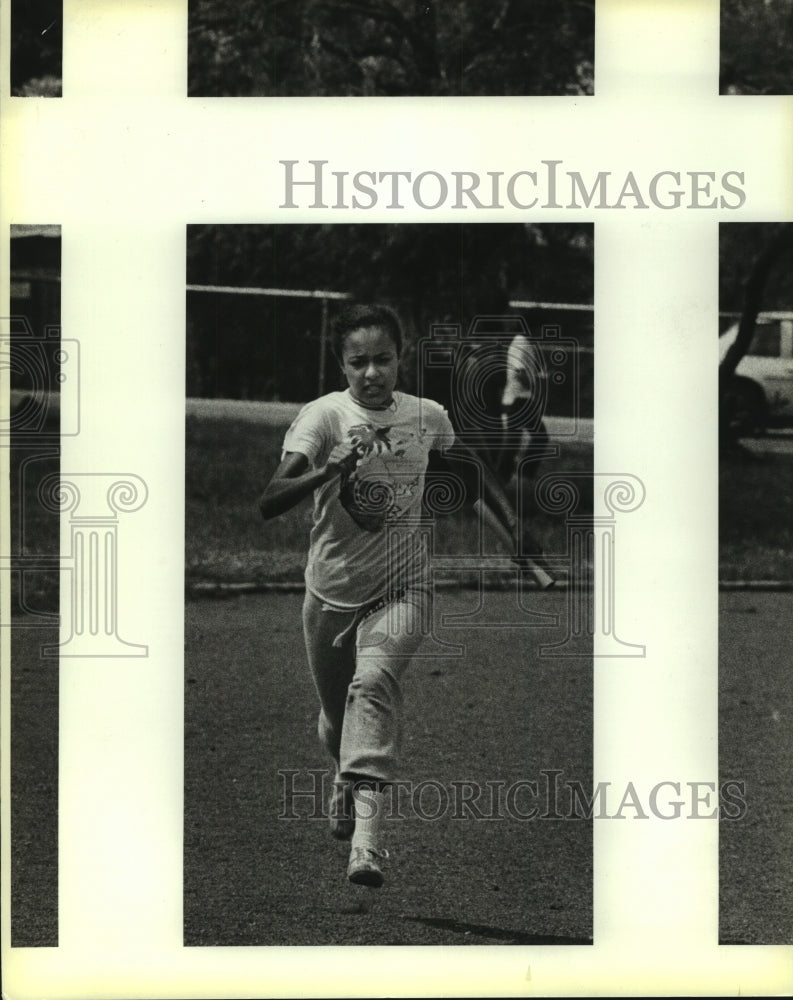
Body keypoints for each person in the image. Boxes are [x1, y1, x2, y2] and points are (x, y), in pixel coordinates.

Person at [259, 304, 546, 889]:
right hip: (331, 592)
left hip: (404, 585)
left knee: (373, 685)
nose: (372, 372)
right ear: (341, 364)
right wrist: (326, 472)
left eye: (383, 359)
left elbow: (471, 477)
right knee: (338, 720)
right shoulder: (322, 418)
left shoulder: (427, 416)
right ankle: (343, 775)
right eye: (359, 361)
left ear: (400, 357)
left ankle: (366, 846)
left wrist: (513, 533)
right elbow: (269, 500)